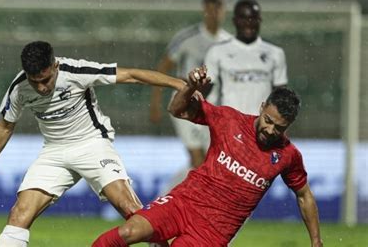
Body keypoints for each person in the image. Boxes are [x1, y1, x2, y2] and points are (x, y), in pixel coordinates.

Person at [0, 41, 186, 247]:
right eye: (35, 82)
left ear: (55, 66)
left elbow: (130, 75)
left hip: (92, 145)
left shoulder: (76, 71)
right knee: (19, 214)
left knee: (130, 209)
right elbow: (5, 127)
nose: (41, 88)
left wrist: (179, 84)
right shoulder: (19, 88)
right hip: (53, 152)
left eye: (46, 80)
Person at [92, 66, 323, 247]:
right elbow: (177, 110)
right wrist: (190, 86)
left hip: (212, 233)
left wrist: (316, 241)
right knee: (127, 232)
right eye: (268, 121)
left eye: (279, 128)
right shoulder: (229, 120)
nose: (270, 130)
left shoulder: (288, 156)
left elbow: (304, 196)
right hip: (183, 203)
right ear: (262, 108)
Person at [149, 0, 231, 192]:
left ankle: (166, 197)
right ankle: (194, 209)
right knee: (198, 159)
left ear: (224, 9)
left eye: (219, 5)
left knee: (208, 162)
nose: (215, 10)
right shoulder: (187, 38)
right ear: (205, 8)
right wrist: (155, 103)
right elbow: (163, 67)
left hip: (213, 108)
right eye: (211, 5)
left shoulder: (229, 43)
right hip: (185, 105)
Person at [205, 0, 287, 115]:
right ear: (234, 20)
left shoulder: (275, 53)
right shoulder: (217, 52)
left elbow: (281, 97)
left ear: (259, 20)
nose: (248, 22)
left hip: (260, 126)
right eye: (243, 18)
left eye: (253, 18)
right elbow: (205, 92)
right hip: (230, 124)